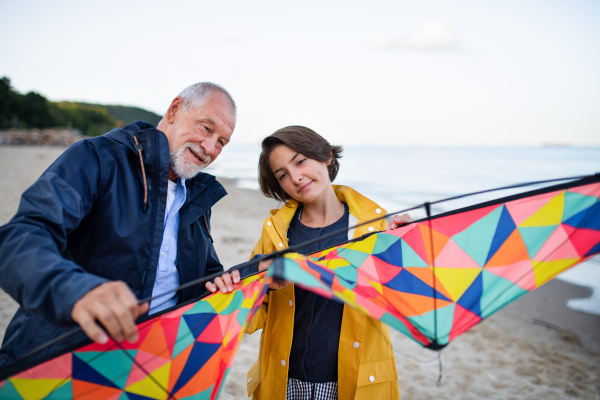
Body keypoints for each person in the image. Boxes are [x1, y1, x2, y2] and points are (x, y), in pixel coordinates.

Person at [0, 82, 242, 370]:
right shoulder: (98, 156)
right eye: (206, 128)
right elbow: (20, 238)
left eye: (222, 142)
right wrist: (76, 290)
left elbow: (207, 280)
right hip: (59, 363)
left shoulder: (198, 197)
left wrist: (248, 275)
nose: (210, 148)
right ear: (175, 109)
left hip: (145, 373)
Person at [242, 126, 409, 400]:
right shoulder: (276, 234)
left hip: (354, 384)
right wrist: (259, 281)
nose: (295, 177)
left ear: (327, 157)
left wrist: (411, 247)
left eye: (300, 161)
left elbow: (402, 298)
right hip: (283, 383)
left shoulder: (373, 228)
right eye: (282, 174)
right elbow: (250, 317)